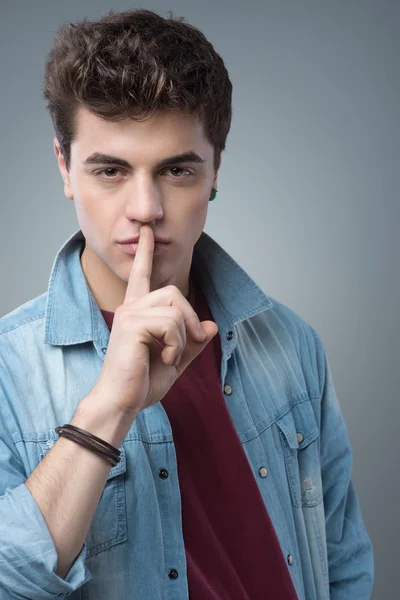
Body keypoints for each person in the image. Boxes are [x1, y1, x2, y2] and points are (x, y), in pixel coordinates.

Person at [0, 8, 373, 600]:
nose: (145, 207)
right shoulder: (7, 372)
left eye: (176, 170)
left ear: (215, 171)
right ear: (64, 168)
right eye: (111, 170)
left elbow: (344, 561)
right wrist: (107, 409)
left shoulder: (291, 344)